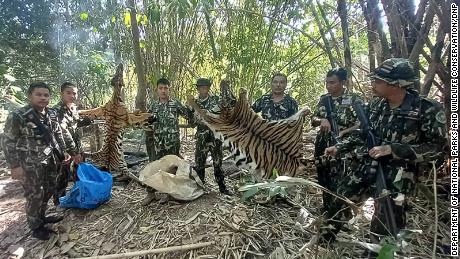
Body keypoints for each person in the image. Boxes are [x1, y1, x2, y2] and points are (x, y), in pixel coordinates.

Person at [324, 58, 447, 253]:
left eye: (378, 81)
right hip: (367, 164)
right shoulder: (377, 106)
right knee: (340, 201)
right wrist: (341, 147)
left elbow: (438, 149)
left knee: (387, 220)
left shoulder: (426, 109)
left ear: (396, 85)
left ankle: (378, 251)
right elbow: (364, 134)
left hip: (398, 174)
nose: (373, 84)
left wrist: (394, 149)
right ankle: (324, 240)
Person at [2, 82, 72, 240]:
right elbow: (8, 142)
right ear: (29, 96)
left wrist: (64, 152)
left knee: (48, 190)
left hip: (50, 161)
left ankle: (42, 217)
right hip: (30, 164)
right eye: (38, 94)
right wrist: (14, 166)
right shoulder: (18, 116)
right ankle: (36, 227)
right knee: (35, 195)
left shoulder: (51, 113)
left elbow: (57, 134)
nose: (43, 98)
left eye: (46, 95)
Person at [310, 68, 362, 241]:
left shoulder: (354, 99)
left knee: (341, 180)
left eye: (332, 82)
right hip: (323, 143)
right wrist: (322, 120)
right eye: (327, 82)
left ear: (343, 83)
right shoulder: (324, 99)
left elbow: (362, 123)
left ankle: (340, 216)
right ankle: (327, 209)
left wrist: (345, 132)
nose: (328, 85)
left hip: (345, 145)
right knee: (323, 175)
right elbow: (313, 120)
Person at [142, 78, 192, 205]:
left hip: (173, 142)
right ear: (157, 89)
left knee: (171, 168)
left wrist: (191, 106)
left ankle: (169, 194)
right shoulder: (153, 105)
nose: (163, 91)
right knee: (155, 167)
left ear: (169, 89)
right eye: (161, 88)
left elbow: (188, 116)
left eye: (166, 88)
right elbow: (146, 121)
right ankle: (151, 193)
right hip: (158, 143)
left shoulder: (175, 104)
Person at [53, 82, 92, 205]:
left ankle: (81, 195)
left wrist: (85, 121)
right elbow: (63, 131)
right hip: (64, 149)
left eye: (74, 93)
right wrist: (74, 153)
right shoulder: (57, 111)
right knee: (62, 176)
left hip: (76, 145)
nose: (72, 95)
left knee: (79, 171)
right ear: (61, 94)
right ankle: (59, 202)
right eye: (68, 93)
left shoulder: (73, 107)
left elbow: (74, 124)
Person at [191, 78, 232, 195]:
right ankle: (200, 187)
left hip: (215, 137)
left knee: (218, 163)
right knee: (199, 163)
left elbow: (226, 109)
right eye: (201, 87)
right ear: (198, 89)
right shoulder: (194, 103)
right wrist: (195, 118)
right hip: (202, 137)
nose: (203, 90)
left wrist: (225, 90)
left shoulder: (216, 100)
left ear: (208, 88)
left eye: (206, 87)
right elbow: (191, 122)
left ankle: (222, 188)